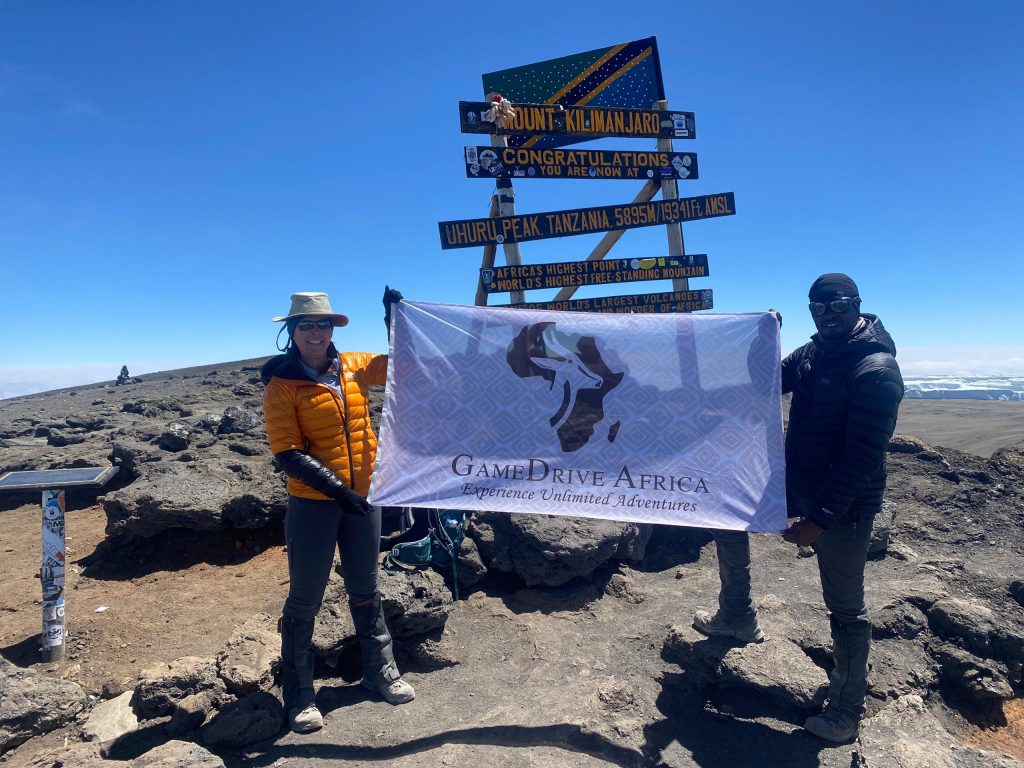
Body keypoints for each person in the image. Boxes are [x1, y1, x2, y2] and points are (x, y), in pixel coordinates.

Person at [693, 273, 903, 743]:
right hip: (796, 483)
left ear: (857, 305)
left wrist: (818, 521)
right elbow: (763, 383)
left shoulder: (877, 369)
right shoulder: (812, 355)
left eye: (836, 306)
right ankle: (738, 616)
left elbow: (861, 460)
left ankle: (846, 710)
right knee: (727, 515)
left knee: (846, 606)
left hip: (844, 504)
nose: (826, 315)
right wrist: (758, 341)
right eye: (817, 308)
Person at [261, 288, 410, 734]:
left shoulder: (355, 367)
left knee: (366, 586)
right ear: (291, 330)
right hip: (314, 505)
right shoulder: (281, 385)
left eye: (322, 324)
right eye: (306, 325)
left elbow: (405, 367)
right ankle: (301, 695)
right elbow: (286, 452)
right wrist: (338, 491)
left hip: (365, 499)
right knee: (305, 598)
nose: (315, 332)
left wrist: (395, 322)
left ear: (333, 329)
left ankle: (379, 672)